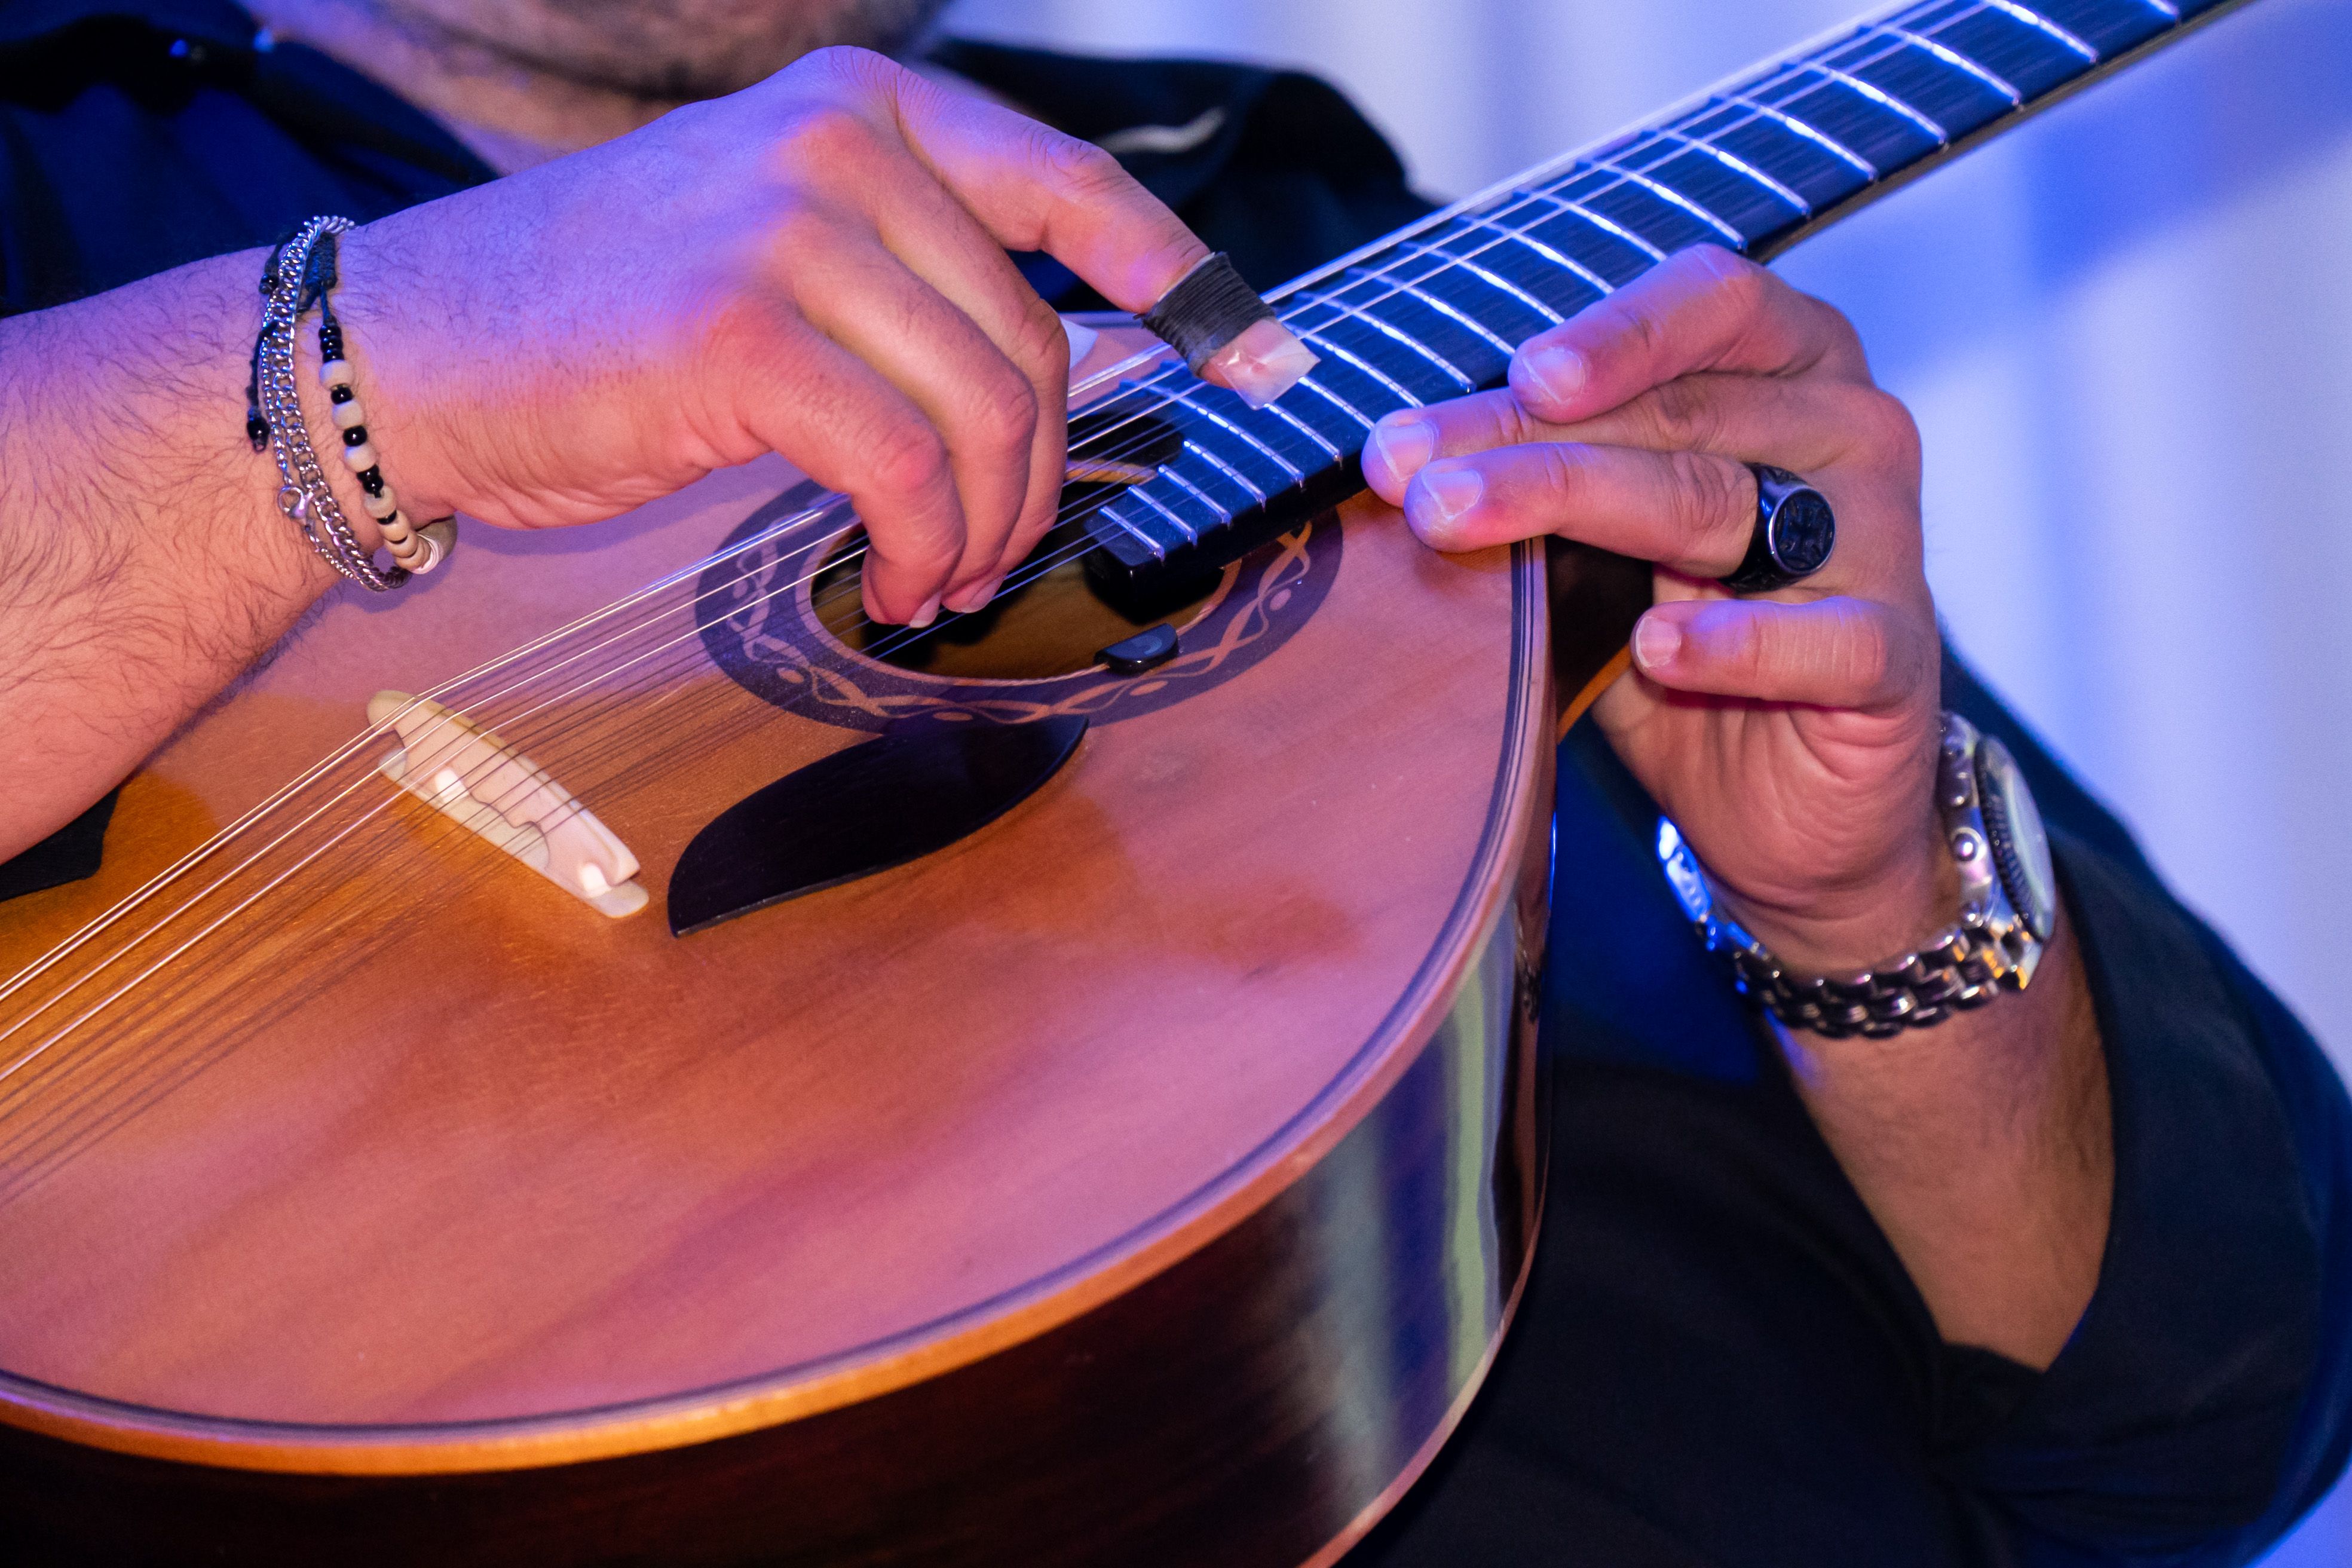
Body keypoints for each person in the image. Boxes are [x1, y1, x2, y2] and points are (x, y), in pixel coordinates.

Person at [0, 2, 2345, 1563]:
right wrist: (367, 366)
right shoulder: (59, 167)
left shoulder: (1316, 242)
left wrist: (1877, 921)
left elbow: (2204, 1404)